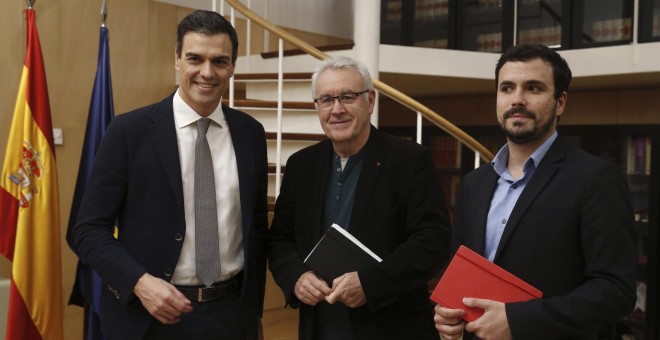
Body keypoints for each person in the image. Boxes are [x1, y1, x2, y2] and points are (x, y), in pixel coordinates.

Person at [71, 10, 268, 340]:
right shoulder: (128, 132)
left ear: (232, 66)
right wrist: (140, 283)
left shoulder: (250, 134)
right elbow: (89, 229)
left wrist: (253, 312)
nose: (207, 72)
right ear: (177, 59)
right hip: (148, 317)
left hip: (231, 317)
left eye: (220, 61)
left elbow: (257, 226)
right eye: (195, 58)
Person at [434, 44, 637, 340]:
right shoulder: (474, 183)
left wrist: (518, 321)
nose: (517, 100)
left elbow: (616, 290)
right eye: (507, 88)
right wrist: (448, 313)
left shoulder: (596, 178)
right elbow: (461, 272)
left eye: (533, 88)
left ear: (561, 102)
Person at [268, 55, 452, 340]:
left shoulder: (409, 160)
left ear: (370, 101)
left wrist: (370, 284)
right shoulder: (301, 165)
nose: (337, 109)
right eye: (326, 100)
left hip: (391, 327)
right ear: (317, 107)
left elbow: (433, 241)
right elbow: (280, 239)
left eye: (348, 97)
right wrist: (296, 277)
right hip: (321, 324)